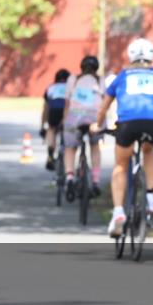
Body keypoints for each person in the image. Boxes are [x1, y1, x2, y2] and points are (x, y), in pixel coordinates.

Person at [93, 38, 153, 238]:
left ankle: (118, 213)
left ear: (130, 57)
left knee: (121, 164)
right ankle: (150, 197)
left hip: (129, 124)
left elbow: (104, 107)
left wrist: (98, 124)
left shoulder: (123, 76)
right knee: (148, 150)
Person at [62, 55, 104, 198]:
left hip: (75, 115)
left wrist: (64, 120)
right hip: (95, 117)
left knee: (70, 146)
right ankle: (96, 181)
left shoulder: (73, 79)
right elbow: (105, 101)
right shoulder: (100, 80)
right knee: (95, 146)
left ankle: (69, 177)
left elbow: (67, 103)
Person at [41, 68, 71, 170]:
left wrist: (43, 125)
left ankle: (50, 153)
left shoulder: (51, 87)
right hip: (67, 110)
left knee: (52, 129)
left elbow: (46, 108)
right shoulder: (71, 87)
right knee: (67, 131)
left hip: (54, 109)